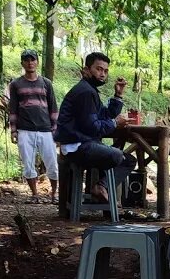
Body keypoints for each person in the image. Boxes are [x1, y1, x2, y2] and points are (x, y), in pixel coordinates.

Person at [54, 52, 136, 202]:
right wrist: (115, 123)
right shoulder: (85, 92)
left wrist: (118, 95)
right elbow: (92, 127)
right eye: (98, 69)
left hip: (83, 143)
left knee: (127, 159)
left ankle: (101, 187)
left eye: (105, 71)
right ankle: (101, 187)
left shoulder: (89, 90)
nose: (102, 74)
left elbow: (105, 114)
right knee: (119, 156)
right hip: (77, 146)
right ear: (86, 70)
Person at [7, 50, 59, 202]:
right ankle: (35, 194)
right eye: (26, 60)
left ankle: (54, 194)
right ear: (22, 63)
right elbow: (13, 108)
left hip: (45, 129)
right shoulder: (16, 84)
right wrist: (13, 130)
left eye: (33, 59)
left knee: (52, 163)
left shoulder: (46, 83)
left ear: (37, 62)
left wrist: (55, 129)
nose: (30, 62)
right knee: (28, 164)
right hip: (25, 129)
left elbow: (53, 106)